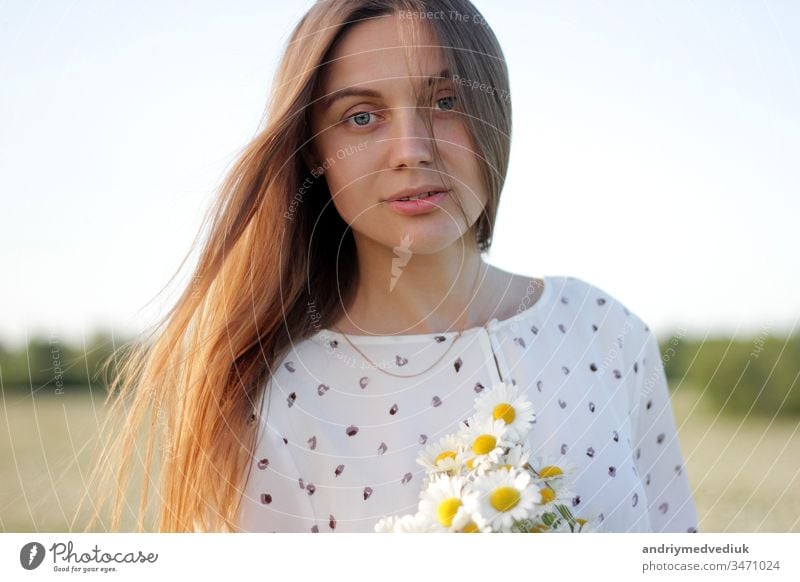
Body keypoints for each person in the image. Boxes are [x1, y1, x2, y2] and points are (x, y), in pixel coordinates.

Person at [83, 0, 698, 534]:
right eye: (361, 116)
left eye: (446, 101)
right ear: (314, 154)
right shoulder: (277, 404)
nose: (412, 149)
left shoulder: (605, 334)